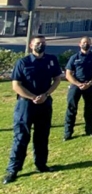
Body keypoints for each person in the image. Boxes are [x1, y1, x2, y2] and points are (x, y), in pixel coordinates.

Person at [4, 36, 62, 185]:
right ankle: (13, 170)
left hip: (44, 103)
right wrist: (32, 97)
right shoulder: (22, 63)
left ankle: (41, 165)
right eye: (37, 44)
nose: (40, 46)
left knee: (42, 136)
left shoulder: (51, 60)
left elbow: (57, 79)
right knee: (21, 137)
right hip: (26, 105)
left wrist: (46, 94)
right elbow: (16, 85)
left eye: (43, 43)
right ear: (31, 46)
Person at [63, 36, 92, 140]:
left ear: (90, 44)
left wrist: (90, 82)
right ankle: (68, 133)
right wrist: (78, 84)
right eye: (84, 42)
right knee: (71, 109)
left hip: (89, 86)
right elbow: (68, 74)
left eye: (88, 42)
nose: (86, 44)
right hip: (76, 86)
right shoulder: (74, 57)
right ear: (79, 44)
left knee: (89, 109)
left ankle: (89, 130)